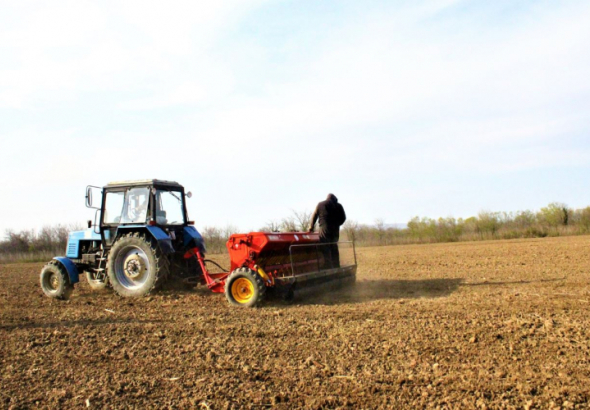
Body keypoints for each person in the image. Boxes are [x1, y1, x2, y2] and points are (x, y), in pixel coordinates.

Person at [308, 193, 346, 268]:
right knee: (334, 246)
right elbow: (343, 218)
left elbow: (314, 216)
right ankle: (336, 266)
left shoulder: (320, 204)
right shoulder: (339, 206)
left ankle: (328, 267)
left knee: (325, 247)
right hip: (335, 230)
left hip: (324, 229)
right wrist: (337, 224)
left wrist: (311, 228)